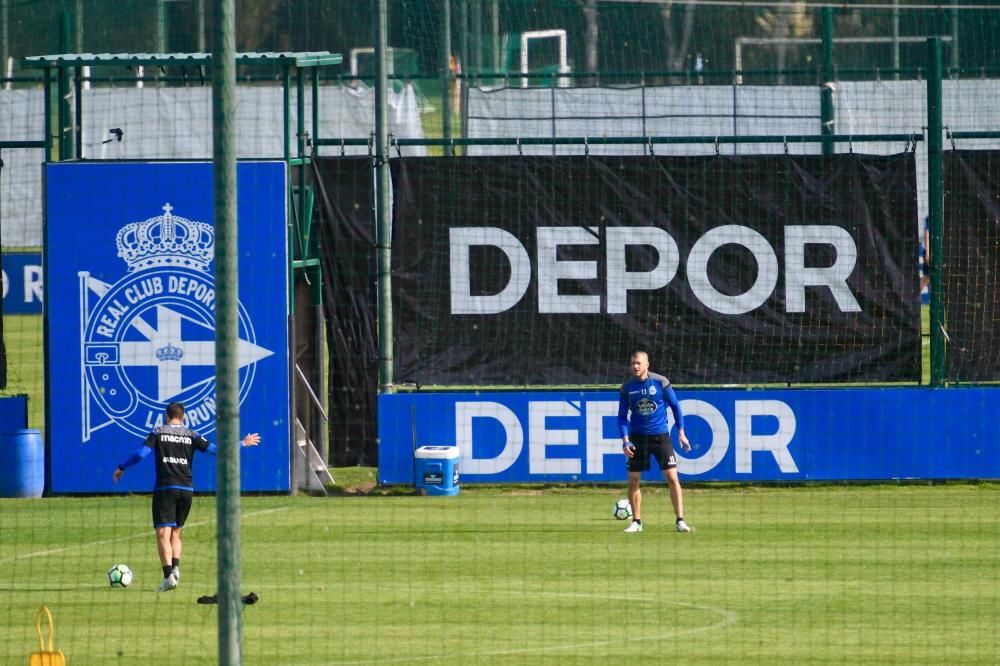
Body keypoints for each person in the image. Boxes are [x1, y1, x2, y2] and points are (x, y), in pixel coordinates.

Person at [113, 402, 260, 591]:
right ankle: (175, 568)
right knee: (176, 532)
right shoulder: (191, 434)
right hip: (187, 490)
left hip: (166, 488)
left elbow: (141, 454)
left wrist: (122, 467)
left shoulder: (158, 432)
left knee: (162, 534)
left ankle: (168, 577)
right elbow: (217, 451)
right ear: (183, 418)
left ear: (167, 416)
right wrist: (242, 443)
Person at [618, 351, 692, 534]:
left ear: (647, 365)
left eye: (638, 363)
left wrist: (681, 433)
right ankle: (636, 522)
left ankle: (680, 521)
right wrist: (626, 441)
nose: (635, 366)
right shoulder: (627, 388)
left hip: (660, 437)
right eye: (633, 363)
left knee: (672, 478)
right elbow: (621, 416)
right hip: (637, 438)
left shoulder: (661, 382)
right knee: (633, 480)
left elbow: (675, 406)